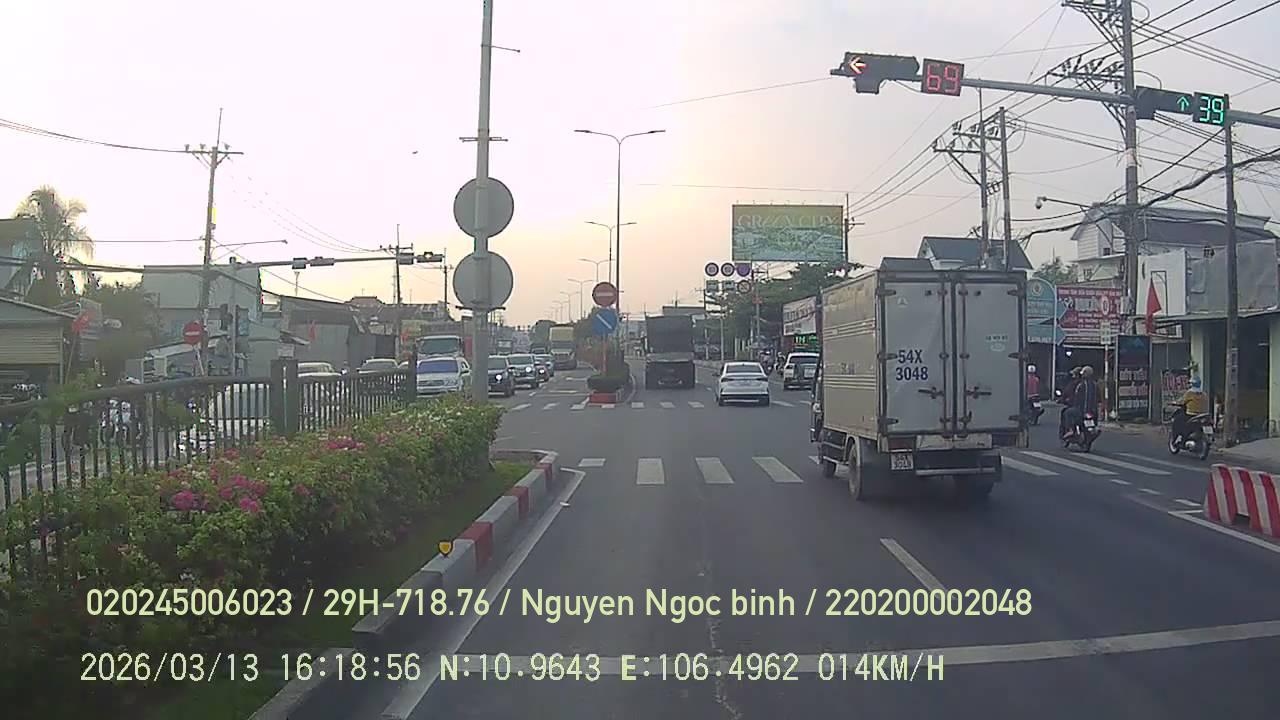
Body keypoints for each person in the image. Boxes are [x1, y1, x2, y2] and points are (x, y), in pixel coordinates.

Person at [1171, 376, 1208, 444]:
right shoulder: (1204, 393)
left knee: (1177, 421)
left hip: (1191, 414)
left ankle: (1179, 438)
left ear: (1192, 384)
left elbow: (1181, 401)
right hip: (1203, 415)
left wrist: (1174, 402)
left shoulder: (1190, 393)